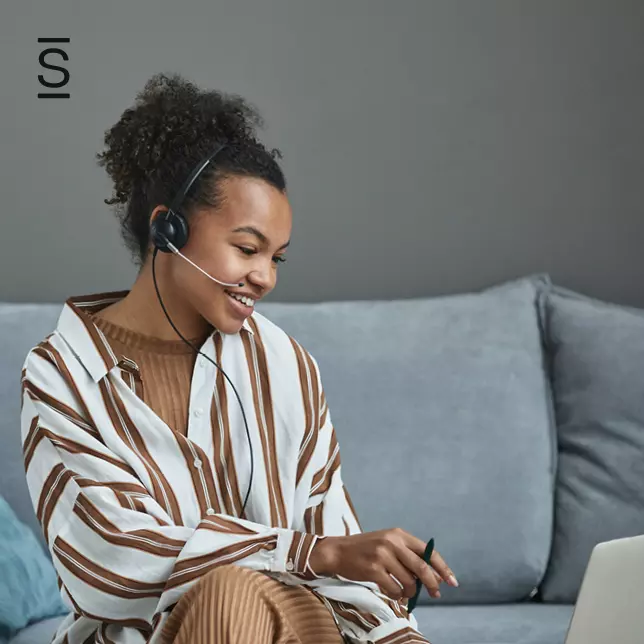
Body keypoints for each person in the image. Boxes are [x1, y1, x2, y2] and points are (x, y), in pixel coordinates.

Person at [20, 72, 457, 644]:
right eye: (248, 249)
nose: (265, 277)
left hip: (302, 628)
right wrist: (310, 553)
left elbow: (343, 556)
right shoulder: (61, 372)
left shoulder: (284, 363)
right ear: (167, 228)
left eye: (277, 258)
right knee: (228, 591)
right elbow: (107, 561)